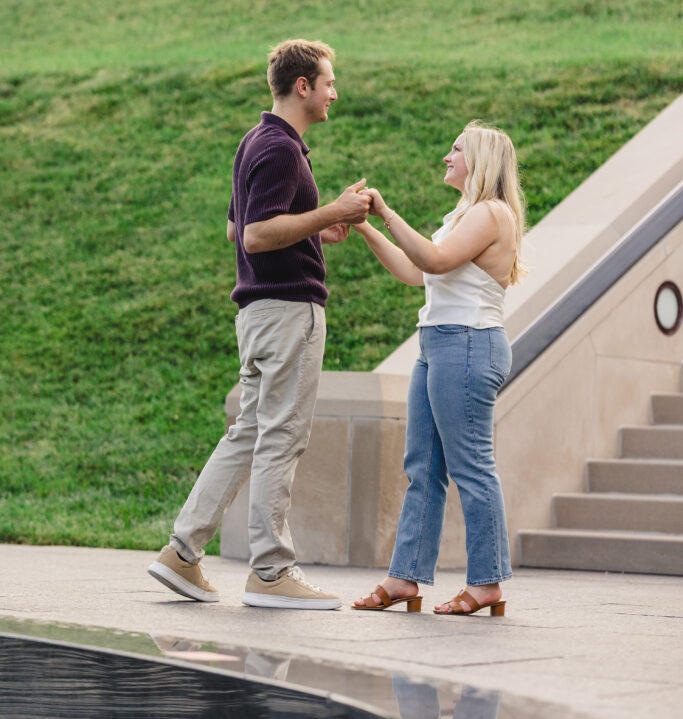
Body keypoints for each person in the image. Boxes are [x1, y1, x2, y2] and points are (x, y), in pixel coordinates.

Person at [148, 39, 370, 610]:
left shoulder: (255, 141)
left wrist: (315, 230)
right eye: (329, 82)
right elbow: (253, 235)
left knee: (248, 432)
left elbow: (237, 230)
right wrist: (333, 212)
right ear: (303, 86)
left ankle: (182, 552)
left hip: (258, 314)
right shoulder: (280, 149)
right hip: (288, 311)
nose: (333, 92)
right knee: (281, 436)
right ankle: (271, 572)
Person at [352, 121, 525, 616]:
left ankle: (487, 583)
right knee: (422, 469)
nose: (446, 156)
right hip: (438, 344)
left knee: (471, 467)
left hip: (469, 344)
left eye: (456, 149)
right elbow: (415, 270)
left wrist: (386, 212)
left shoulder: (491, 214)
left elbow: (433, 257)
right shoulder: (462, 216)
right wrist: (366, 226)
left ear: (481, 160)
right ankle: (405, 577)